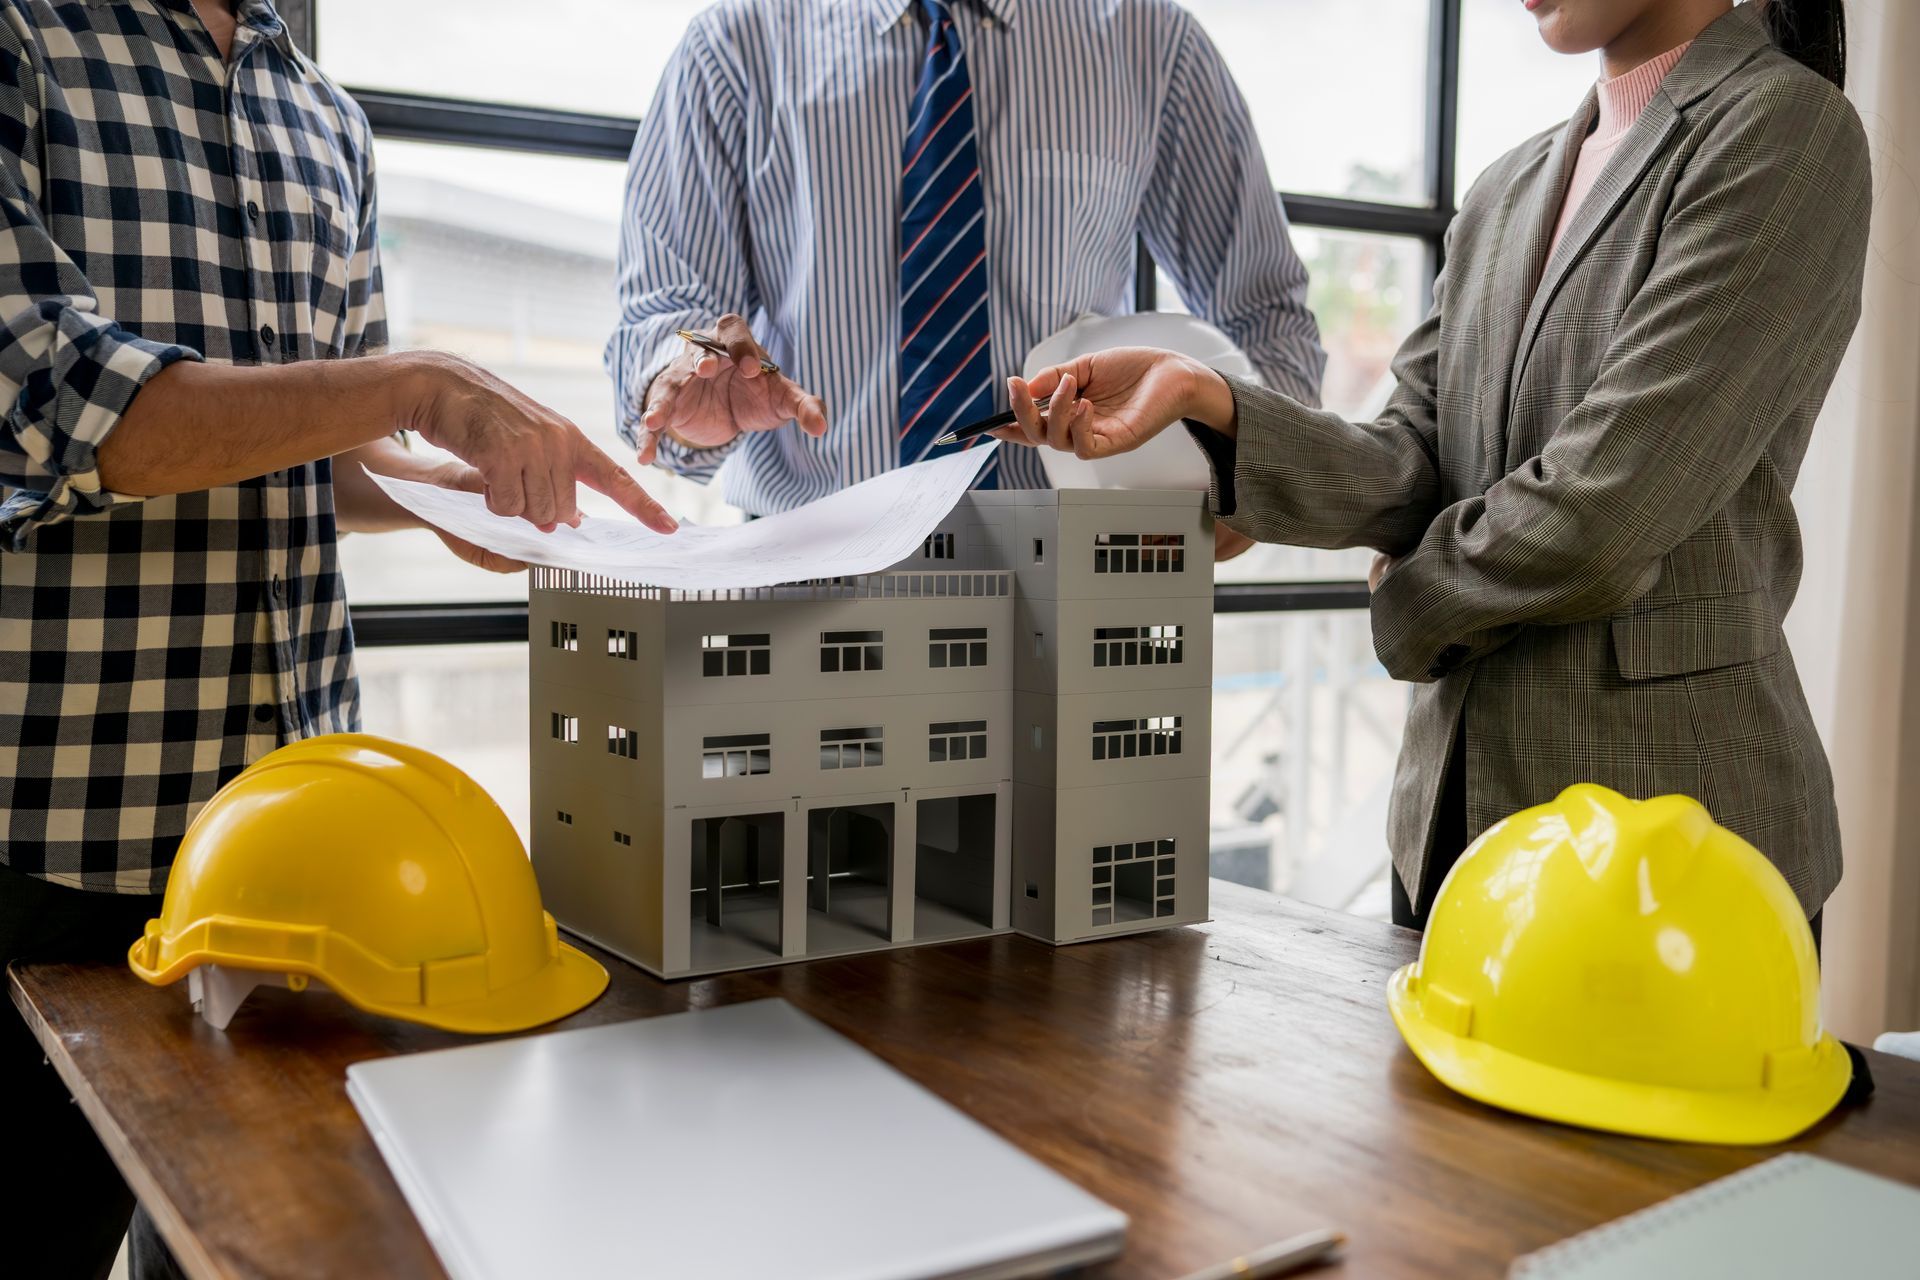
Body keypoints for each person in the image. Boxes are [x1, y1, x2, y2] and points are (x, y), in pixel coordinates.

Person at [0, 1, 675, 1274]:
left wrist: (444, 493)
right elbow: (64, 411)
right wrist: (421, 384)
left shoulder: (327, 118)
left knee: (250, 1247)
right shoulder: (26, 40)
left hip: (295, 861)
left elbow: (324, 445)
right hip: (51, 838)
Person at [991, 0, 1866, 938]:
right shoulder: (1508, 185)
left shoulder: (1788, 129)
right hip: (1450, 829)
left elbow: (1604, 511)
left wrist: (1406, 602)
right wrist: (1208, 400)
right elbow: (1412, 458)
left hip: (1673, 852)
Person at [608, 0, 1326, 560]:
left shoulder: (1151, 41)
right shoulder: (734, 46)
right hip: (801, 573)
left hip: (1076, 577)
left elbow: (1265, 315)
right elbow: (666, 316)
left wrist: (1255, 474)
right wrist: (686, 384)